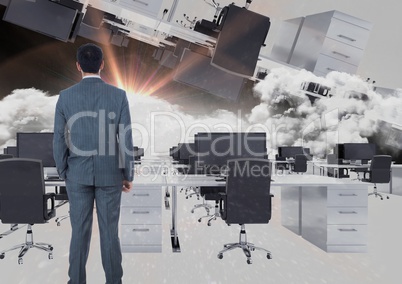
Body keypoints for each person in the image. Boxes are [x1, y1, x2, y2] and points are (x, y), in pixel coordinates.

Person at [53, 43, 134, 284]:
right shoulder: (119, 96)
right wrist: (127, 173)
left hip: (77, 175)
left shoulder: (65, 97)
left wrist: (63, 170)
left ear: (78, 66)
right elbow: (126, 137)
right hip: (111, 175)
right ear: (102, 65)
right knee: (110, 234)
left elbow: (58, 138)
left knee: (79, 232)